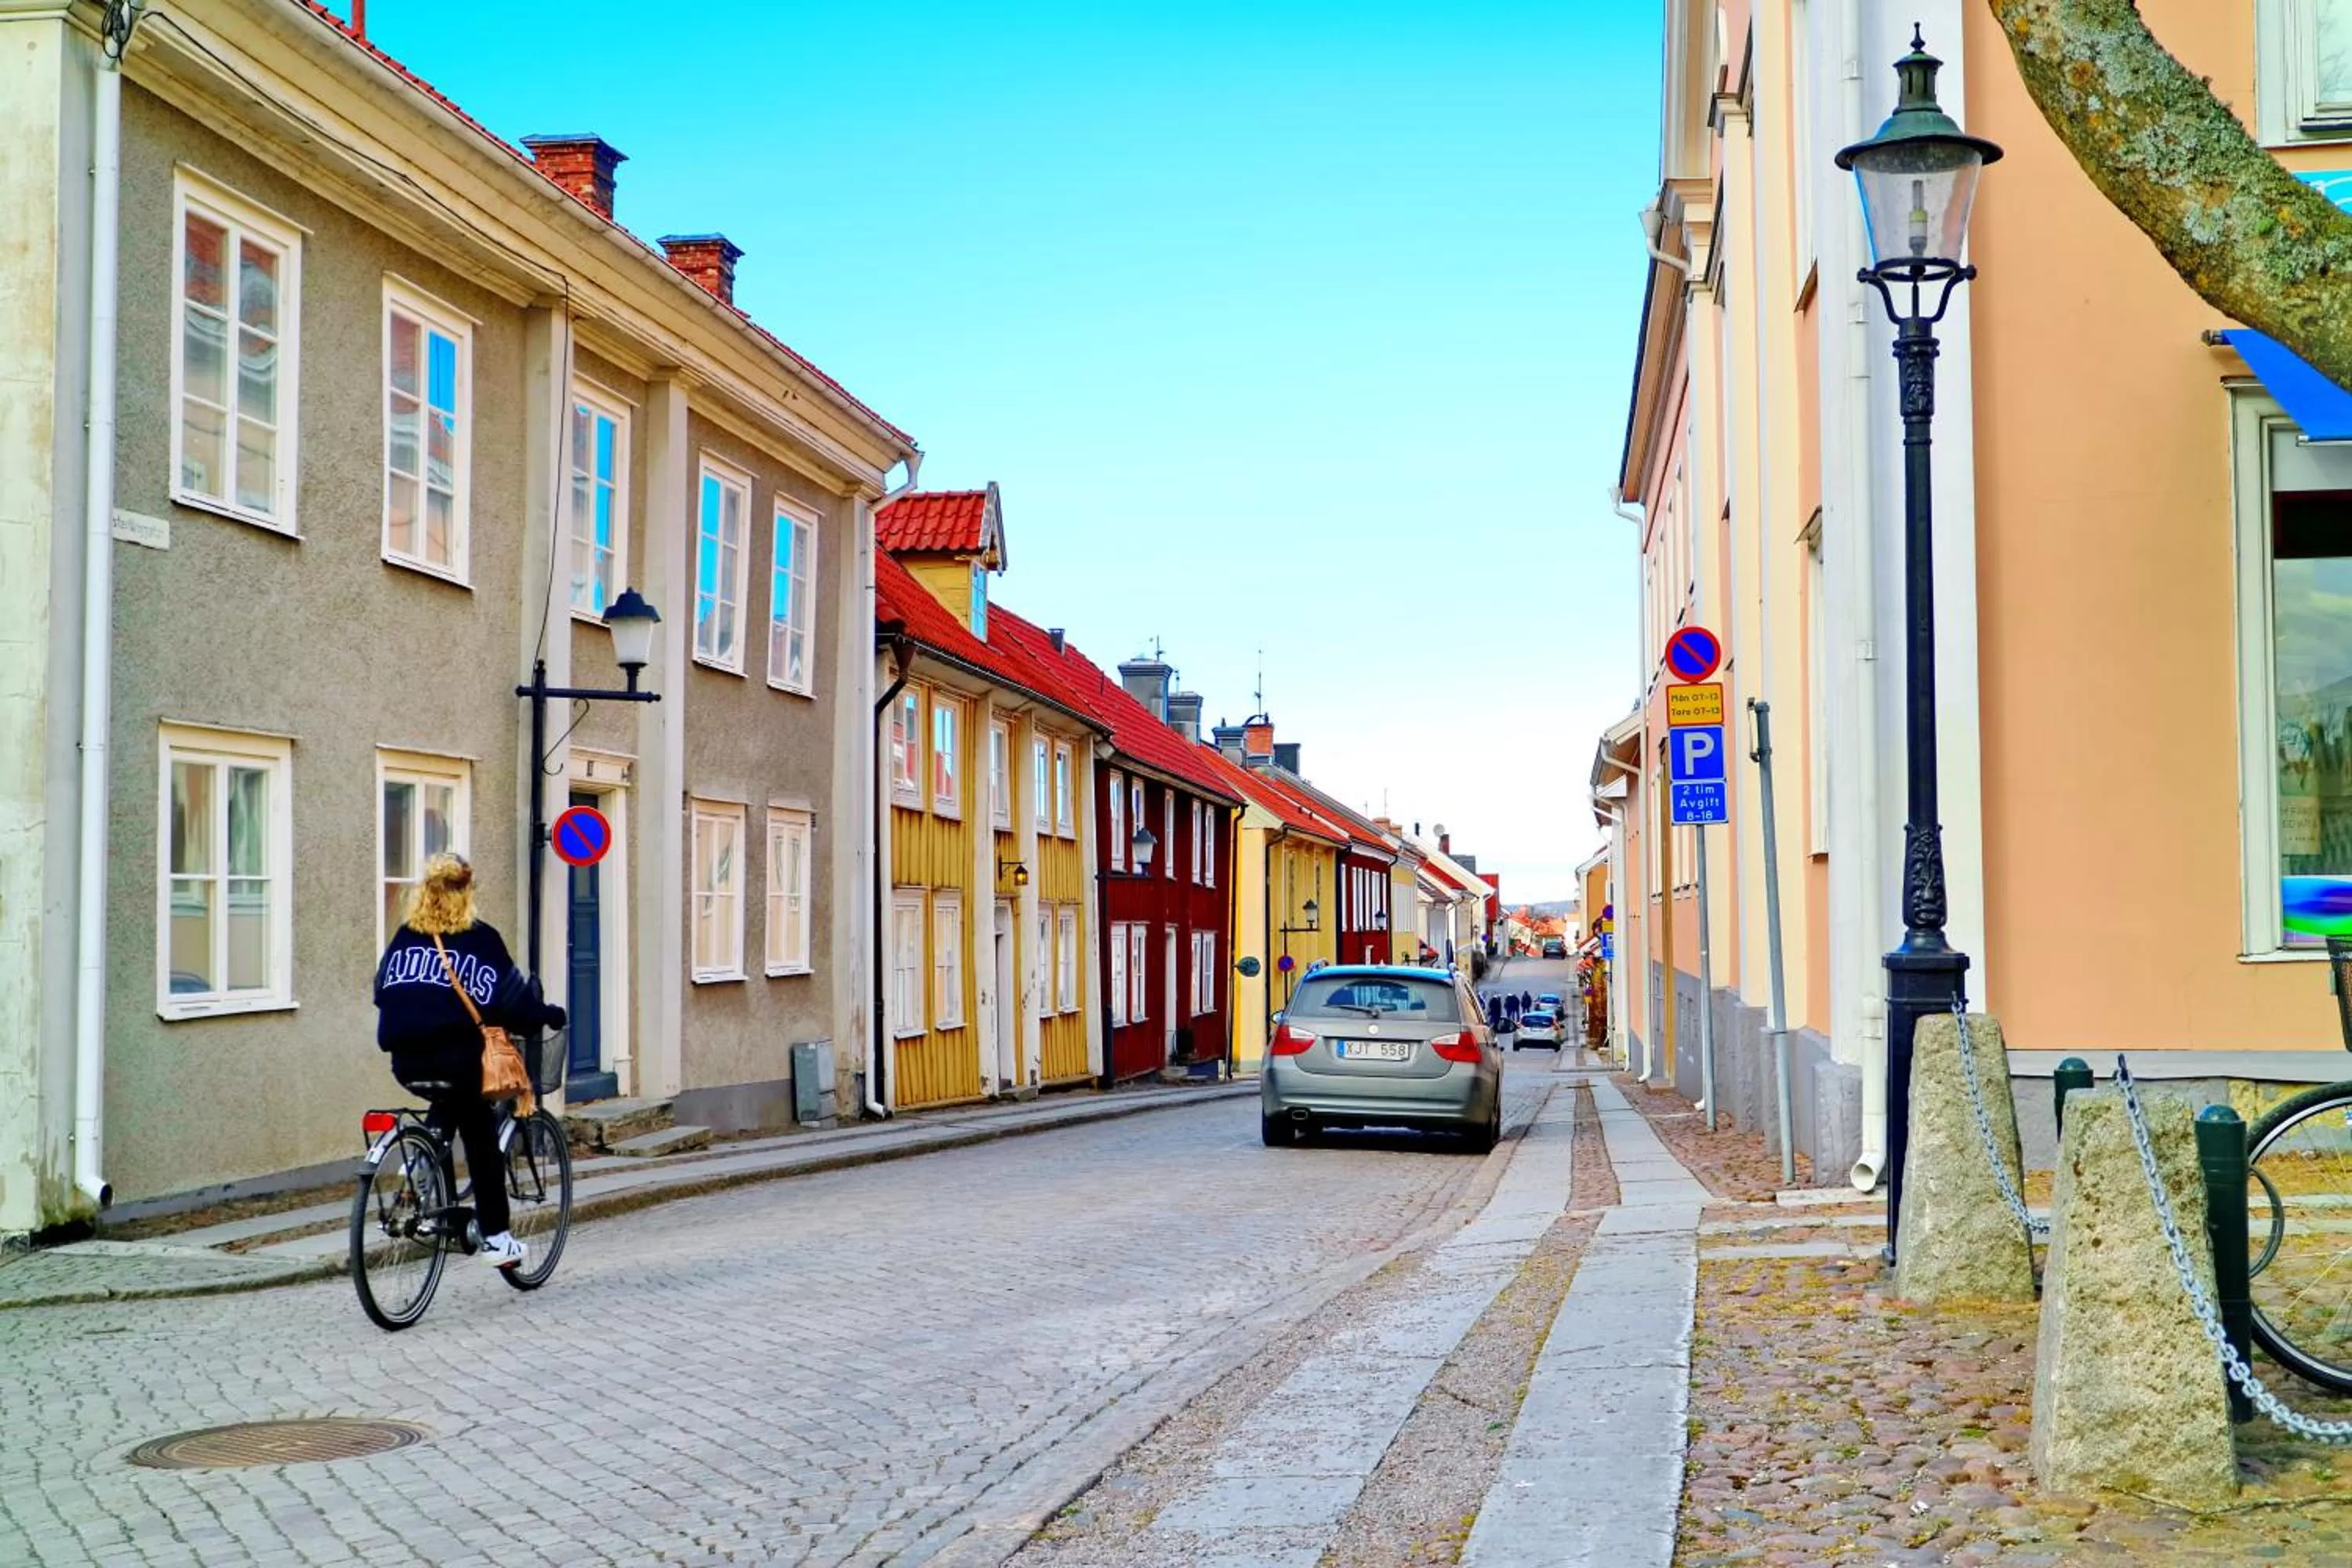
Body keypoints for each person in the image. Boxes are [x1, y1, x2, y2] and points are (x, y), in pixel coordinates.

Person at [374, 852, 564, 1271]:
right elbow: (515, 1004)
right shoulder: (481, 939)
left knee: (448, 1104)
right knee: (480, 1137)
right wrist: (549, 1015)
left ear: (424, 892)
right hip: (461, 1063)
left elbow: (380, 992)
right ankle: (496, 1238)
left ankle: (421, 1165)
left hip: (405, 1062)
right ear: (467, 892)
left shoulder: (404, 937)